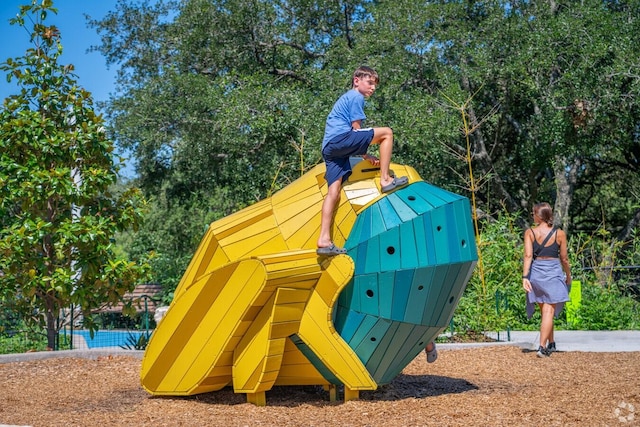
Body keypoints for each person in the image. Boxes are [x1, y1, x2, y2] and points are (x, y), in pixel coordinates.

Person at [317, 66, 408, 256]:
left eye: (375, 85)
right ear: (356, 80)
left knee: (334, 192)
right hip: (340, 139)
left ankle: (324, 240)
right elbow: (356, 130)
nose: (373, 88)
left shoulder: (346, 98)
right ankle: (385, 179)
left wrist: (363, 153)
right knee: (387, 133)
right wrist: (366, 155)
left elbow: (354, 137)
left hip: (330, 148)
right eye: (370, 82)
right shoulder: (355, 96)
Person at [522, 202, 571, 357]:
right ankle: (542, 347)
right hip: (553, 272)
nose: (532, 216)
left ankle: (552, 343)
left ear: (539, 215)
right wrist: (568, 275)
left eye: (533, 213)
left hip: (536, 272)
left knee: (545, 310)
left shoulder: (529, 232)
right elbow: (564, 259)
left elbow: (528, 256)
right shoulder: (560, 234)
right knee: (549, 310)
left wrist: (525, 277)